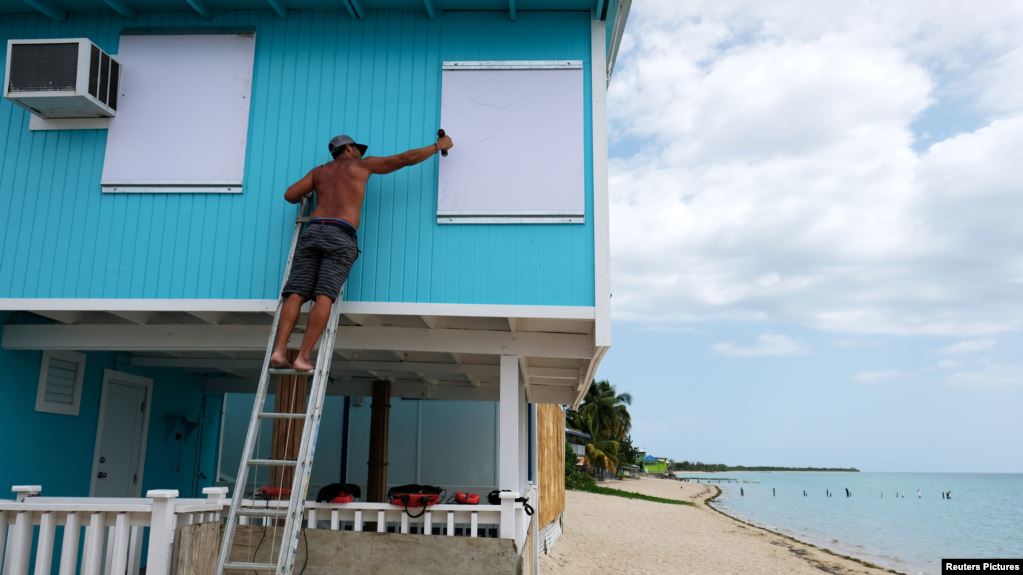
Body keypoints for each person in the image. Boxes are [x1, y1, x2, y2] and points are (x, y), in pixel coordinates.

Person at [270, 133, 454, 371]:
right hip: (340, 233)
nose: (360, 152)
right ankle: (302, 357)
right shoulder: (361, 166)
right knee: (324, 295)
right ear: (348, 148)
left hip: (313, 231)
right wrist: (437, 146)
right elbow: (404, 159)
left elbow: (290, 195)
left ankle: (279, 351)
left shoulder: (319, 172)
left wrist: (318, 191)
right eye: (358, 148)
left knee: (296, 293)